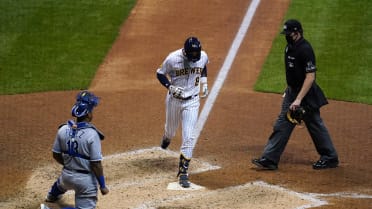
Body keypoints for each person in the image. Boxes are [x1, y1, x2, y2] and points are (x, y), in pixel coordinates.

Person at [251, 19, 339, 170]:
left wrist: (299, 99)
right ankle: (270, 159)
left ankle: (330, 157)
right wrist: (289, 89)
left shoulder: (305, 49)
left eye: (289, 33)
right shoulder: (289, 48)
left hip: (306, 95)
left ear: (297, 33)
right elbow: (293, 73)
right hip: (293, 93)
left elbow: (310, 77)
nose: (286, 36)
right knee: (282, 124)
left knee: (314, 124)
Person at [156, 36, 209, 187]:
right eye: (191, 55)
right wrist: (170, 87)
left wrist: (204, 83)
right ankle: (167, 137)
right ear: (185, 53)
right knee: (171, 131)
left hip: (192, 101)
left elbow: (203, 65)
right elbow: (159, 73)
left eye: (196, 54)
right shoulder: (173, 58)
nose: (195, 57)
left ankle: (183, 172)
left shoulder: (203, 56)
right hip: (174, 100)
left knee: (189, 136)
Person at [45, 90, 109, 209]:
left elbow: (55, 154)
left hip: (66, 176)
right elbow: (96, 164)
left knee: (61, 184)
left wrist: (69, 164)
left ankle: (51, 196)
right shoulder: (92, 135)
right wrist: (103, 186)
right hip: (85, 182)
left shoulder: (63, 129)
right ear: (89, 114)